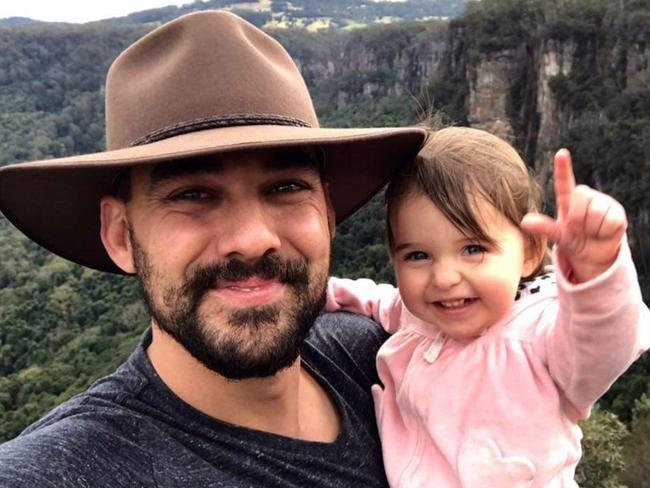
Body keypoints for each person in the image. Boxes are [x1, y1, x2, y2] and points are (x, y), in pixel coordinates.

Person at [0, 11, 427, 487]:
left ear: (326, 214)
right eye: (193, 195)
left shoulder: (381, 356)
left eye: (286, 186)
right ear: (121, 235)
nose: (252, 238)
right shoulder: (57, 472)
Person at [326, 127, 650, 487]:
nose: (444, 277)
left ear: (529, 253)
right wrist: (317, 294)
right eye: (418, 255)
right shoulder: (417, 316)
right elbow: (374, 298)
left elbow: (604, 343)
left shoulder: (541, 336)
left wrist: (599, 272)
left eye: (473, 249)